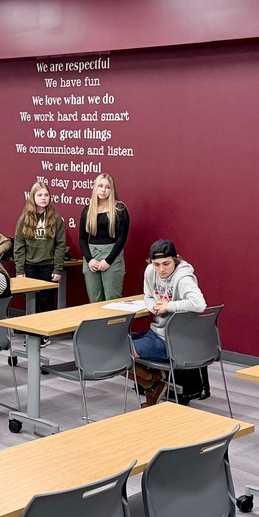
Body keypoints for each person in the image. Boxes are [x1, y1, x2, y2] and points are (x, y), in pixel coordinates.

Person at [130, 240, 206, 407]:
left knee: (116, 353)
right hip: (157, 332)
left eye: (166, 263)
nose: (161, 269)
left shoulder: (183, 277)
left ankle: (153, 383)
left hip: (173, 340)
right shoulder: (150, 271)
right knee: (112, 347)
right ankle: (154, 382)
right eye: (156, 264)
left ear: (176, 259)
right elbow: (148, 296)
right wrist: (155, 307)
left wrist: (168, 306)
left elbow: (199, 304)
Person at [13, 181, 66, 326]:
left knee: (46, 299)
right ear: (32, 197)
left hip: (48, 266)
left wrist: (57, 268)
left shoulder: (56, 219)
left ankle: (47, 329)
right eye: (40, 195)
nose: (43, 198)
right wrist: (20, 270)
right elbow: (19, 246)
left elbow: (60, 245)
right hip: (30, 266)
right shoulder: (24, 219)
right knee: (31, 300)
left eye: (46, 195)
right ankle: (33, 332)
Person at [79, 173, 129, 303]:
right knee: (94, 300)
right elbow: (83, 238)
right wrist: (89, 260)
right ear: (95, 187)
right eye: (100, 186)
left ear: (112, 190)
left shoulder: (120, 209)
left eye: (107, 187)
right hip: (92, 256)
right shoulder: (87, 210)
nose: (103, 190)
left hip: (112, 255)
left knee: (112, 299)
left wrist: (108, 261)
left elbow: (122, 238)